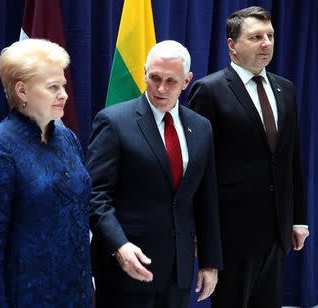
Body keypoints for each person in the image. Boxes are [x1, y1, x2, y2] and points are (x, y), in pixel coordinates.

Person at [188, 6, 309, 308]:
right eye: (256, 37)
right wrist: (202, 233)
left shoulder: (285, 89)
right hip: (233, 233)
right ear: (232, 45)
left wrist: (298, 220)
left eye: (270, 36)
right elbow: (199, 169)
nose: (266, 43)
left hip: (276, 231)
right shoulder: (210, 90)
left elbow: (291, 158)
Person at [87, 40, 223, 308]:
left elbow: (206, 197)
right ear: (144, 73)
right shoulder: (113, 122)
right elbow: (95, 196)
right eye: (154, 78)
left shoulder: (201, 127)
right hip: (125, 268)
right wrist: (119, 246)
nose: (161, 88)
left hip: (177, 272)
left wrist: (210, 262)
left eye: (171, 81)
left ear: (187, 81)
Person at [0, 38, 92, 307]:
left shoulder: (67, 138)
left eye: (64, 86)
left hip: (76, 293)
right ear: (22, 90)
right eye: (52, 87)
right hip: (26, 296)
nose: (64, 94)